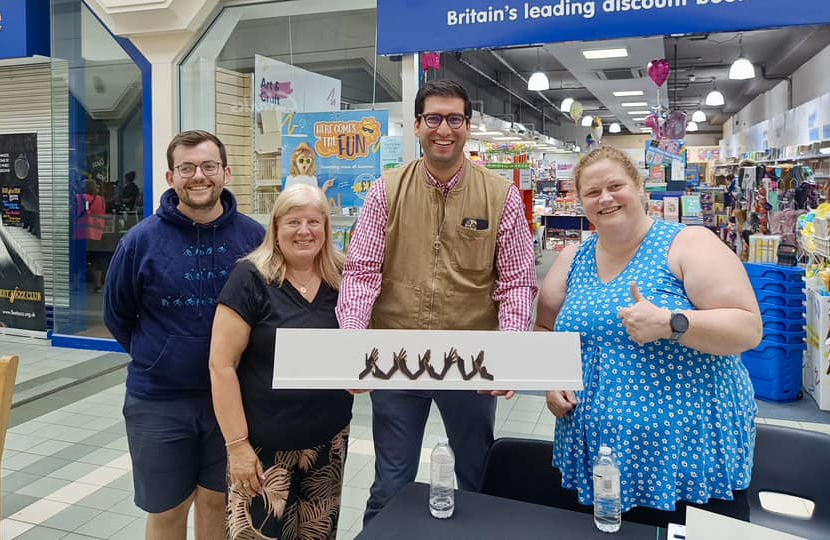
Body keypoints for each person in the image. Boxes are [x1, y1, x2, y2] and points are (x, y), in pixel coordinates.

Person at [336, 79, 538, 525]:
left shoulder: (500, 195)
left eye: (454, 119)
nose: (443, 129)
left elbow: (517, 282)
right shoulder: (385, 191)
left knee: (476, 473)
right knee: (391, 479)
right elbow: (362, 271)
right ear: (417, 126)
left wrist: (513, 350)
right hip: (396, 359)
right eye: (433, 119)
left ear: (468, 127)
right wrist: (351, 340)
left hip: (470, 360)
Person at [536, 146, 762, 527]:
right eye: (592, 192)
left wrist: (673, 323)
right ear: (581, 201)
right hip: (598, 455)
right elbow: (545, 330)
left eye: (615, 186)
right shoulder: (572, 258)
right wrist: (551, 381)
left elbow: (748, 328)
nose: (605, 198)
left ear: (640, 187)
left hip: (684, 455)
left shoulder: (688, 244)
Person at [103, 130, 264, 540]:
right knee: (169, 509)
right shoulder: (140, 242)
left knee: (217, 501)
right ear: (171, 176)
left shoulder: (254, 239)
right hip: (159, 401)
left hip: (231, 400)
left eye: (209, 166)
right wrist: (159, 356)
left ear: (226, 173)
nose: (199, 176)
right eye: (187, 168)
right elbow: (117, 314)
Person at [209, 184, 353, 539]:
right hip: (263, 450)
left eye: (313, 222)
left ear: (326, 227)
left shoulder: (344, 277)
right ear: (275, 227)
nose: (304, 231)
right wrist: (238, 447)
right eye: (293, 222)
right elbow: (221, 366)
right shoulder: (251, 278)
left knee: (318, 533)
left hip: (327, 444)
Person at [74, 178, 108, 291]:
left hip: (81, 232)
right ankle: (97, 284)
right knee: (97, 258)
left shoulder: (79, 198)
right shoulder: (101, 200)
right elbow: (103, 213)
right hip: (97, 232)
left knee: (79, 259)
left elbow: (74, 212)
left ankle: (76, 285)